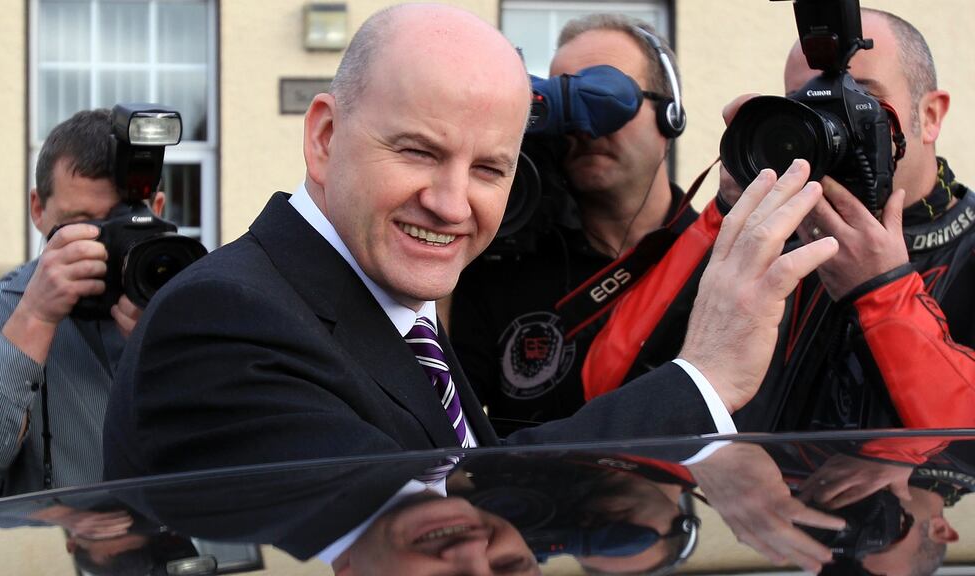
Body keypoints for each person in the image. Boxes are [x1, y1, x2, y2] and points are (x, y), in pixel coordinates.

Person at [103, 2, 836, 522]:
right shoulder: (224, 320)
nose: (452, 205)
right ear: (324, 138)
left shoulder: (396, 312)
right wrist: (704, 379)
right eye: (418, 151)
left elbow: (464, 480)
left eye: (490, 169)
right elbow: (427, 529)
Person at [584, 8, 975, 433]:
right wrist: (728, 213)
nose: (831, 124)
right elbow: (606, 381)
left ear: (930, 116)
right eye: (807, 105)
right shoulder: (774, 240)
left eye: (860, 99)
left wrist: (883, 292)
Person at [449, 15, 718, 431]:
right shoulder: (503, 266)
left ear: (670, 115)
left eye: (607, 98)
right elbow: (438, 420)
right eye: (570, 102)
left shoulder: (718, 264)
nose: (585, 125)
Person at [0, 109, 165, 505]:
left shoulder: (188, 305)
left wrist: (168, 353)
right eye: (81, 223)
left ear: (158, 210)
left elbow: (244, 460)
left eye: (124, 221)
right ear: (38, 208)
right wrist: (35, 318)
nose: (103, 243)